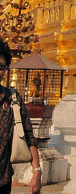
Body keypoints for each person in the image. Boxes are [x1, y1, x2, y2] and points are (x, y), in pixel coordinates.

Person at [0, 39, 41, 194]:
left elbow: (29, 136)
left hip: (2, 180)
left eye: (1, 67)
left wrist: (36, 171)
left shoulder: (12, 99)